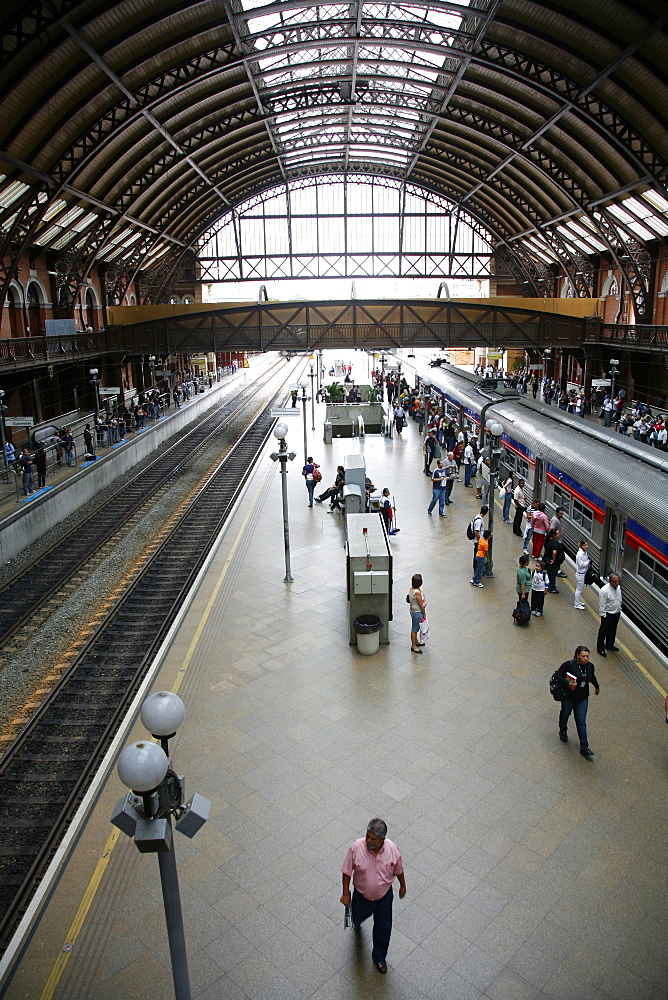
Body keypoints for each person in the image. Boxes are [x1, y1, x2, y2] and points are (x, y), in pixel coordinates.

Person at [341, 819, 406, 975]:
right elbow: (347, 871)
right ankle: (357, 920)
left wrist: (403, 886)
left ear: (382, 839)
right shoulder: (356, 847)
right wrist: (345, 893)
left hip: (384, 898)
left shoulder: (392, 850)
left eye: (373, 839)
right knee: (356, 916)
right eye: (367, 836)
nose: (368, 841)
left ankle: (379, 957)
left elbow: (399, 870)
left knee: (384, 928)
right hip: (361, 897)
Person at [555, 645, 600, 757]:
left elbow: (592, 677)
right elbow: (558, 675)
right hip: (569, 696)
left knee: (581, 721)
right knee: (565, 714)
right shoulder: (569, 665)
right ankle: (563, 730)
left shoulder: (590, 667)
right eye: (583, 656)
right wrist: (567, 683)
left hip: (582, 698)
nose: (586, 658)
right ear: (577, 656)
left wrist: (597, 686)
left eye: (587, 656)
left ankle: (584, 747)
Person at [597, 574, 622, 656]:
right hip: (608, 614)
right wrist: (603, 615)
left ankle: (610, 645)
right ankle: (600, 648)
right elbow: (602, 605)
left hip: (616, 613)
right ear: (609, 581)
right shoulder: (604, 591)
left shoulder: (618, 587)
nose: (616, 583)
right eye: (614, 582)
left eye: (617, 581)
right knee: (603, 631)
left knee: (612, 630)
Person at [408, 573, 426, 653]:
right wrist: (424, 612)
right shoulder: (417, 592)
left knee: (415, 627)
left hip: (412, 610)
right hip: (417, 612)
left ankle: (416, 642)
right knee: (414, 629)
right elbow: (421, 605)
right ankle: (414, 646)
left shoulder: (411, 589)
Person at [543, 528, 565, 592]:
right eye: (557, 534)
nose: (559, 535)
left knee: (550, 574)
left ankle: (550, 585)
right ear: (553, 535)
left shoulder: (548, 541)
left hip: (548, 559)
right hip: (553, 563)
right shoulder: (554, 543)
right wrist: (553, 560)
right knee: (552, 575)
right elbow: (554, 552)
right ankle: (551, 587)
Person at [574, 539, 590, 609]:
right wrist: (588, 562)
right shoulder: (579, 554)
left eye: (587, 545)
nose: (586, 546)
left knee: (579, 589)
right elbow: (581, 565)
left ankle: (577, 601)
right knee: (579, 590)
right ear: (581, 546)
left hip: (583, 573)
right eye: (585, 545)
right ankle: (576, 604)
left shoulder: (584, 552)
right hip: (580, 574)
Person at [472, 504, 488, 571]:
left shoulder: (478, 517)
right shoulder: (479, 520)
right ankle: (476, 568)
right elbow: (476, 531)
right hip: (478, 541)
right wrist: (480, 540)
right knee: (477, 554)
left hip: (478, 540)